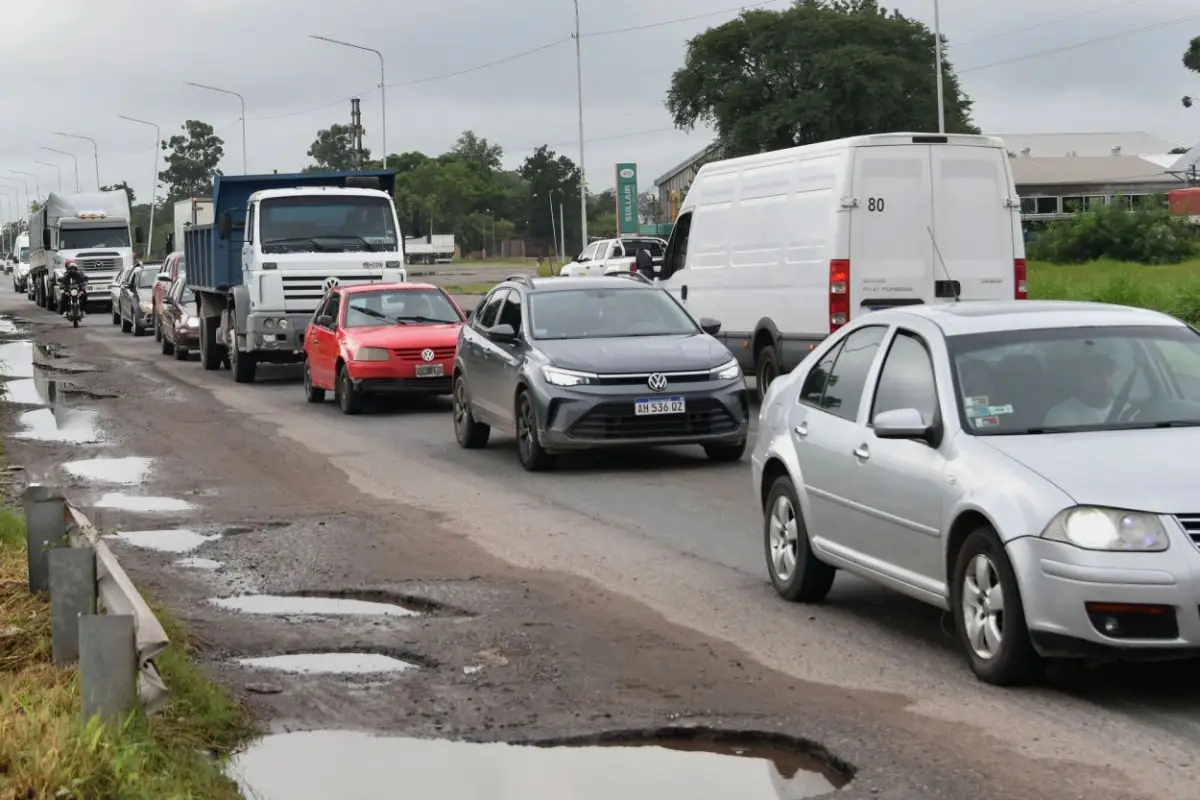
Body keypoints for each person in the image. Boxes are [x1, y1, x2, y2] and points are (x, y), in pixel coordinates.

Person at [1043, 352, 1119, 427]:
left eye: (1109, 373)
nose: (1105, 380)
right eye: (1097, 373)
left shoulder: (1127, 413)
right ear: (1081, 376)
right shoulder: (1060, 416)